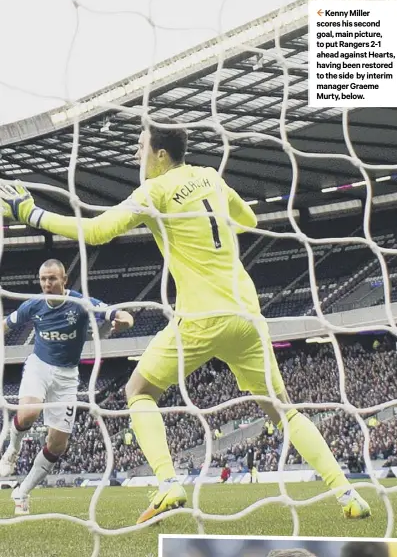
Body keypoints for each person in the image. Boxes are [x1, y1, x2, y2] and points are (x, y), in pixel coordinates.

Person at [0, 117, 371, 524]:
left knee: (137, 390)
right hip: (247, 314)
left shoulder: (154, 190)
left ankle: (168, 482)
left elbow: (96, 232)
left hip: (200, 318)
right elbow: (248, 219)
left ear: (160, 154)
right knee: (285, 412)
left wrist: (31, 213)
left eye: (140, 147)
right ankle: (347, 493)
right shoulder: (210, 175)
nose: (136, 155)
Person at [0, 258, 133, 515]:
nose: (47, 283)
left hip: (67, 376)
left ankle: (22, 492)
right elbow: (5, 325)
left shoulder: (80, 304)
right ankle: (12, 451)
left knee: (57, 445)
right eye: (43, 279)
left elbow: (117, 313)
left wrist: (124, 321)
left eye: (52, 279)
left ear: (64, 280)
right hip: (39, 366)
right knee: (28, 412)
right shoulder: (33, 305)